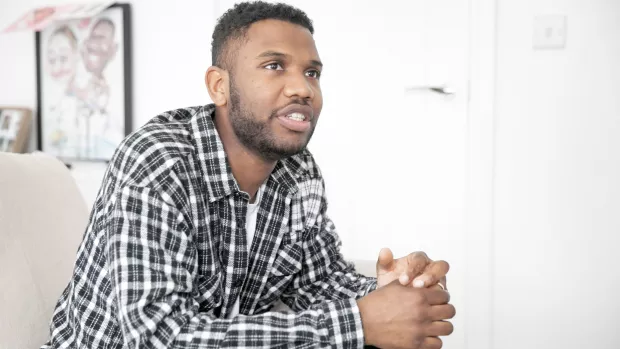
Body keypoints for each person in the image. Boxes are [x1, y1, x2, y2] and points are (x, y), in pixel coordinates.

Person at [42, 2, 455, 348]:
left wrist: (391, 291)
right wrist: (356, 322)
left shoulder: (299, 171)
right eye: (275, 66)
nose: (303, 89)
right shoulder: (158, 162)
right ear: (219, 86)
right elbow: (156, 337)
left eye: (312, 73)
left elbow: (316, 280)